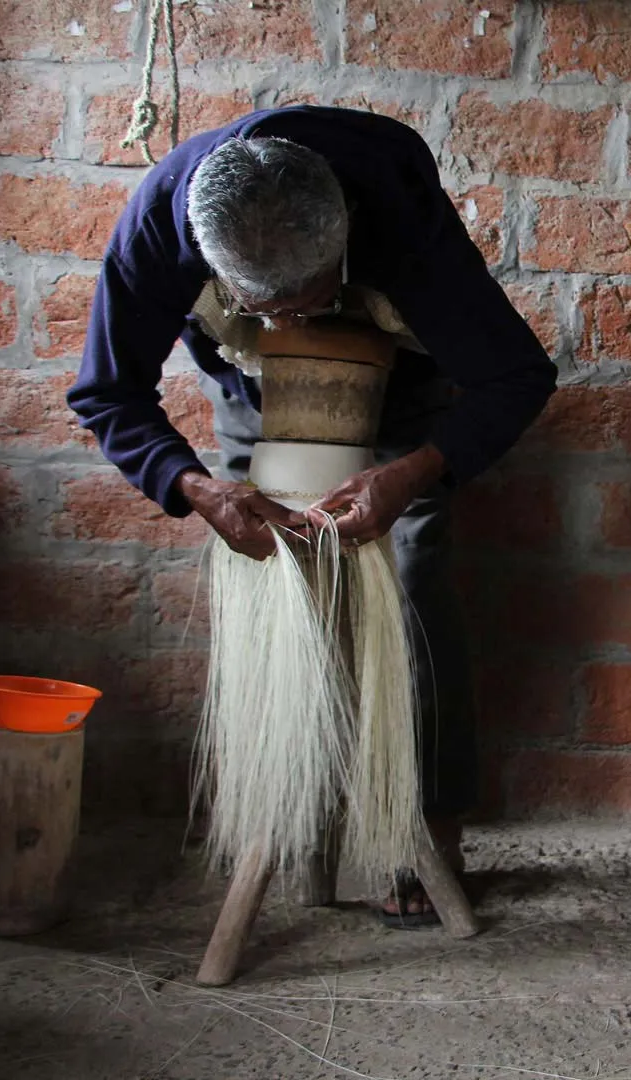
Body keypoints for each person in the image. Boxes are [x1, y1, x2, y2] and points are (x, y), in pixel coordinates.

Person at [67, 105, 556, 925]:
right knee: (269, 580)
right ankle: (286, 815)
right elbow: (105, 390)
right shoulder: (159, 229)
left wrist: (413, 475)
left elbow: (515, 377)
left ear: (346, 235)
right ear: (214, 265)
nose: (297, 324)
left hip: (400, 380)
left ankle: (423, 826)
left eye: (310, 299)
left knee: (411, 583)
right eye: (272, 308)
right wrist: (195, 488)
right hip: (253, 385)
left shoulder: (403, 222)